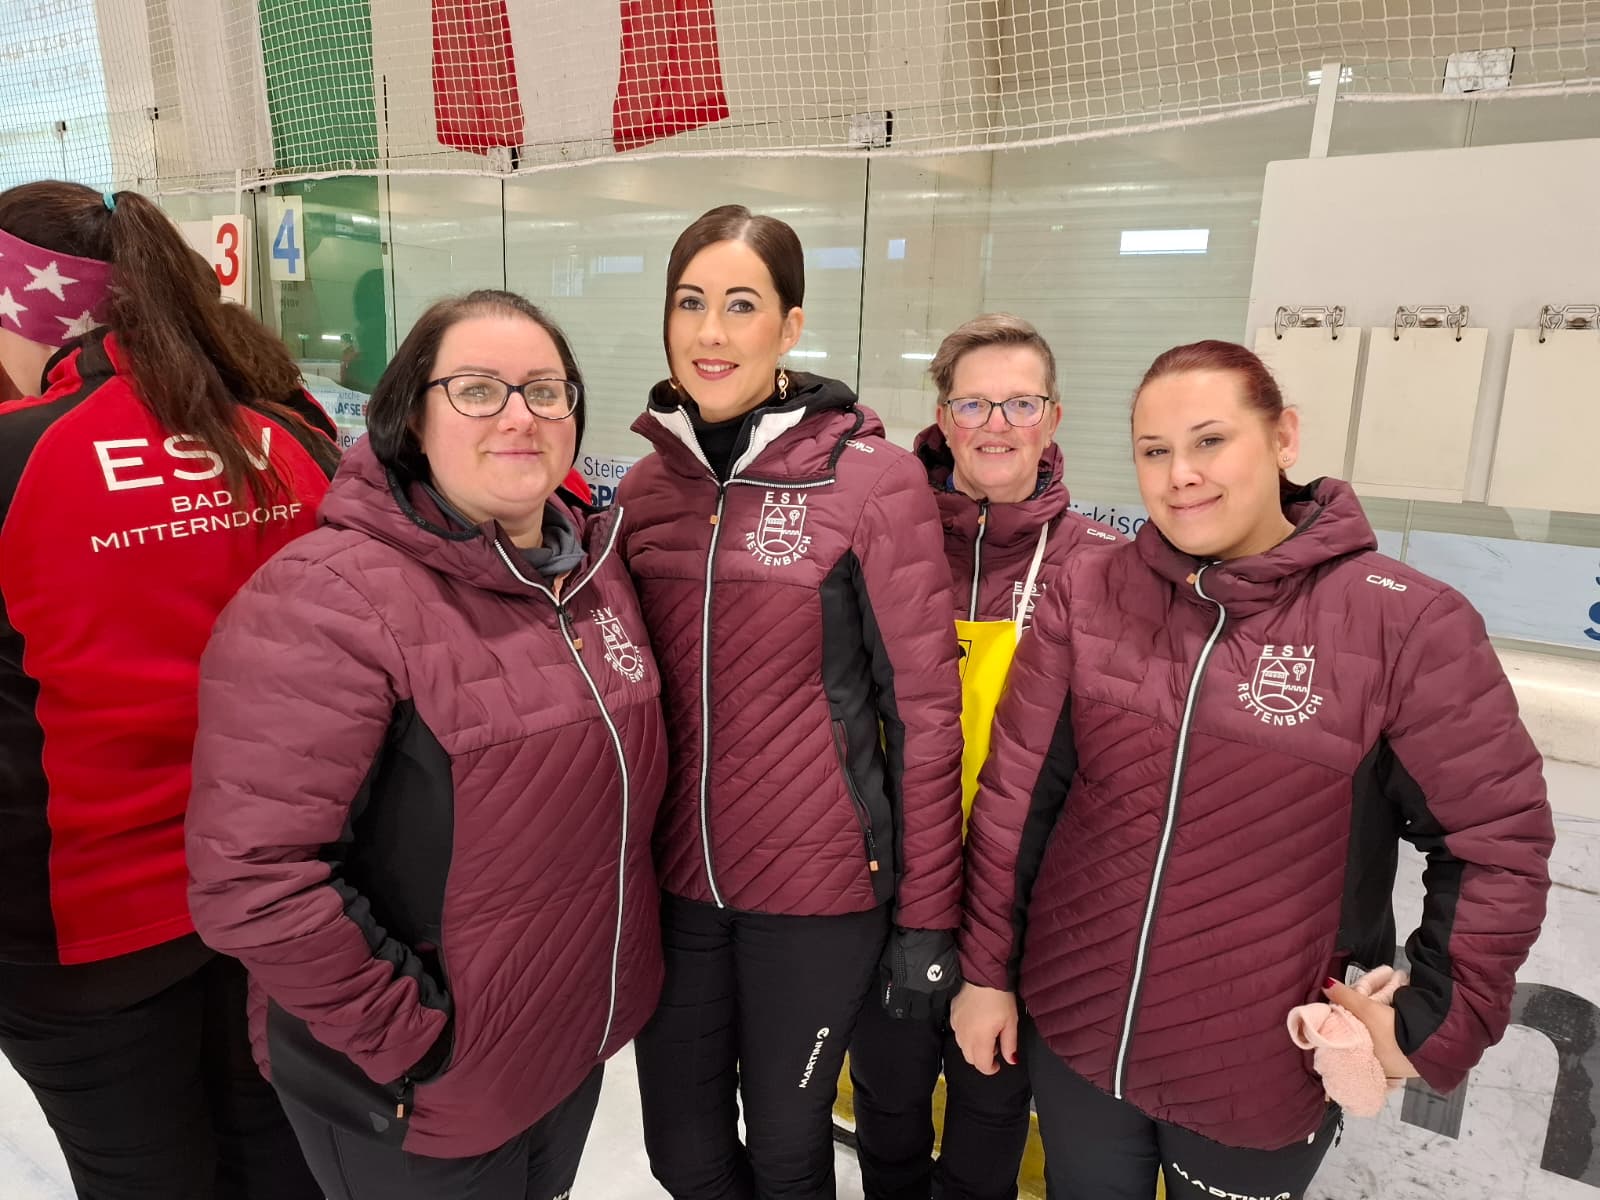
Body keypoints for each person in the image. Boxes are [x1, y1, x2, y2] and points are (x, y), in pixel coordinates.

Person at [951, 338, 1555, 1200]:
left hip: (1257, 1071)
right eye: (1154, 452)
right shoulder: (1089, 593)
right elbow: (1020, 803)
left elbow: (1498, 843)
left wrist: (1431, 1026)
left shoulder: (1405, 625)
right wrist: (984, 974)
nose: (1180, 475)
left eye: (1210, 441)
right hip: (1078, 1034)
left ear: (1284, 438)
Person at [185, 289, 667, 1200]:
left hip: (565, 1046)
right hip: (420, 1090)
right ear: (410, 416)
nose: (520, 416)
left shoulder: (595, 578)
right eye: (478, 390)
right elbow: (250, 881)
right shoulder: (327, 600)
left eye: (545, 390)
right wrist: (412, 1037)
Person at [618, 204, 966, 1199]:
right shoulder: (645, 492)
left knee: (785, 1149)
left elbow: (924, 718)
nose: (710, 332)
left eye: (740, 304)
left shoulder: (870, 483)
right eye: (689, 303)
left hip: (819, 897)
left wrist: (926, 921)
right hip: (680, 888)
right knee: (679, 1151)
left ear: (790, 324)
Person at [0, 180, 336, 1199]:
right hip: (280, 894)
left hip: (80, 927)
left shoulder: (20, 456)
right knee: (274, 1162)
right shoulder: (290, 431)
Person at [849, 314, 1118, 1200]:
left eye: (1019, 402)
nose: (996, 423)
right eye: (974, 401)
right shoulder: (888, 535)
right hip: (893, 881)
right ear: (941, 412)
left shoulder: (1097, 568)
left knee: (991, 1111)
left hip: (1018, 898)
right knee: (886, 1102)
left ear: (1054, 417)